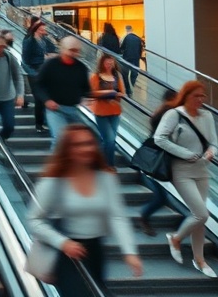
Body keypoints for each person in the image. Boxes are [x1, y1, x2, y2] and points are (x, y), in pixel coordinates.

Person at [27, 125, 142, 296]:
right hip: (66, 254)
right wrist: (63, 243)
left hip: (95, 251)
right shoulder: (53, 182)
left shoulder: (106, 179)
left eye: (89, 143)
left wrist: (129, 252)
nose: (85, 149)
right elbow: (33, 220)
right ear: (66, 149)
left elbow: (117, 217)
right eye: (77, 145)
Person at [154, 81, 218, 278]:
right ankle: (175, 238)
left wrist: (210, 152)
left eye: (203, 96)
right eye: (196, 96)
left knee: (198, 218)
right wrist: (185, 153)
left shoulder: (207, 116)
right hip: (181, 170)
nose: (200, 100)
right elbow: (159, 138)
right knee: (201, 214)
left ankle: (199, 260)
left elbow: (214, 143)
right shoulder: (174, 114)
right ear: (186, 95)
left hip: (202, 169)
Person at [34, 36, 91, 146]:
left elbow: (86, 88)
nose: (74, 53)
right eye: (71, 50)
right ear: (63, 49)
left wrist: (86, 98)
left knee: (81, 141)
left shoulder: (81, 68)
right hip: (56, 109)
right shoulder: (50, 65)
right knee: (60, 138)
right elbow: (38, 84)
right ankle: (56, 163)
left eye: (77, 50)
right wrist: (46, 100)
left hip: (73, 109)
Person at [136, 89, 177, 236]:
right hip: (156, 161)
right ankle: (144, 216)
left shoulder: (162, 113)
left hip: (154, 159)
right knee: (161, 196)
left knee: (163, 195)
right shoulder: (168, 114)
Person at [89, 53, 126, 165]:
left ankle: (100, 162)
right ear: (102, 63)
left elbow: (123, 93)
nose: (109, 64)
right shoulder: (96, 76)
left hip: (115, 111)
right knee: (109, 140)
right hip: (101, 113)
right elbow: (91, 93)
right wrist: (108, 93)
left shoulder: (117, 76)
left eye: (111, 62)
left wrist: (116, 94)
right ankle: (109, 165)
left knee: (109, 140)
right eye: (107, 62)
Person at [21, 21, 57, 134]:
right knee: (39, 98)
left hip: (44, 71)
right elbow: (26, 59)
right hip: (34, 73)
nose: (44, 31)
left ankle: (45, 121)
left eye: (44, 29)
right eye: (42, 29)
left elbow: (54, 48)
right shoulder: (29, 41)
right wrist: (43, 58)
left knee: (46, 97)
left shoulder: (44, 40)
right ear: (36, 29)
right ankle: (39, 124)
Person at [120, 26, 143, 97]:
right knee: (134, 73)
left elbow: (122, 48)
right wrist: (138, 56)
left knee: (125, 74)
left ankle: (128, 90)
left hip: (127, 58)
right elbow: (140, 49)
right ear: (132, 30)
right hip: (136, 58)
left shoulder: (126, 37)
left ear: (126, 30)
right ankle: (133, 86)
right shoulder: (138, 38)